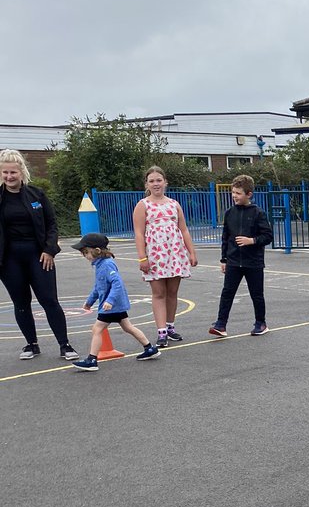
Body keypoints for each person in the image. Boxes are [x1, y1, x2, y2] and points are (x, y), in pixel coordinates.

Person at [0, 149, 78, 361]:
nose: (9, 176)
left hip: (39, 256)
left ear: (21, 172)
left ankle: (65, 344)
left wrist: (49, 249)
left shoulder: (37, 195)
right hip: (9, 260)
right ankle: (31, 344)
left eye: (13, 172)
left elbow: (52, 224)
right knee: (21, 302)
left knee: (49, 299)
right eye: (5, 172)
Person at [71, 233, 159, 371]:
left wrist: (110, 301)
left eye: (86, 252)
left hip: (111, 306)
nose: (85, 256)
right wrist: (90, 301)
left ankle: (92, 360)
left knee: (97, 329)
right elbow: (98, 286)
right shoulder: (100, 265)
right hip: (115, 305)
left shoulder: (107, 265)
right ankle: (149, 348)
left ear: (97, 251)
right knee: (127, 327)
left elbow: (117, 283)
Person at [132, 165, 197, 348]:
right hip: (155, 255)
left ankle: (170, 327)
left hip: (175, 254)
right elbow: (139, 233)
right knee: (159, 293)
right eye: (151, 181)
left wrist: (191, 252)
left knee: (173, 292)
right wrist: (142, 257)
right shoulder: (142, 205)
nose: (156, 184)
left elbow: (183, 229)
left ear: (165, 182)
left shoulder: (174, 204)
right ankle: (161, 332)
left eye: (159, 180)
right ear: (147, 184)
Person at [208, 174, 274, 338]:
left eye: (238, 193)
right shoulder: (230, 213)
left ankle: (261, 323)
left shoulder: (258, 213)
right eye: (233, 192)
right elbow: (226, 238)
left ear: (248, 194)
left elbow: (268, 236)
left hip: (253, 262)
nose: (234, 196)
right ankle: (221, 324)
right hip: (233, 261)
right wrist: (223, 259)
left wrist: (251, 240)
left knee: (256, 294)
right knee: (227, 292)